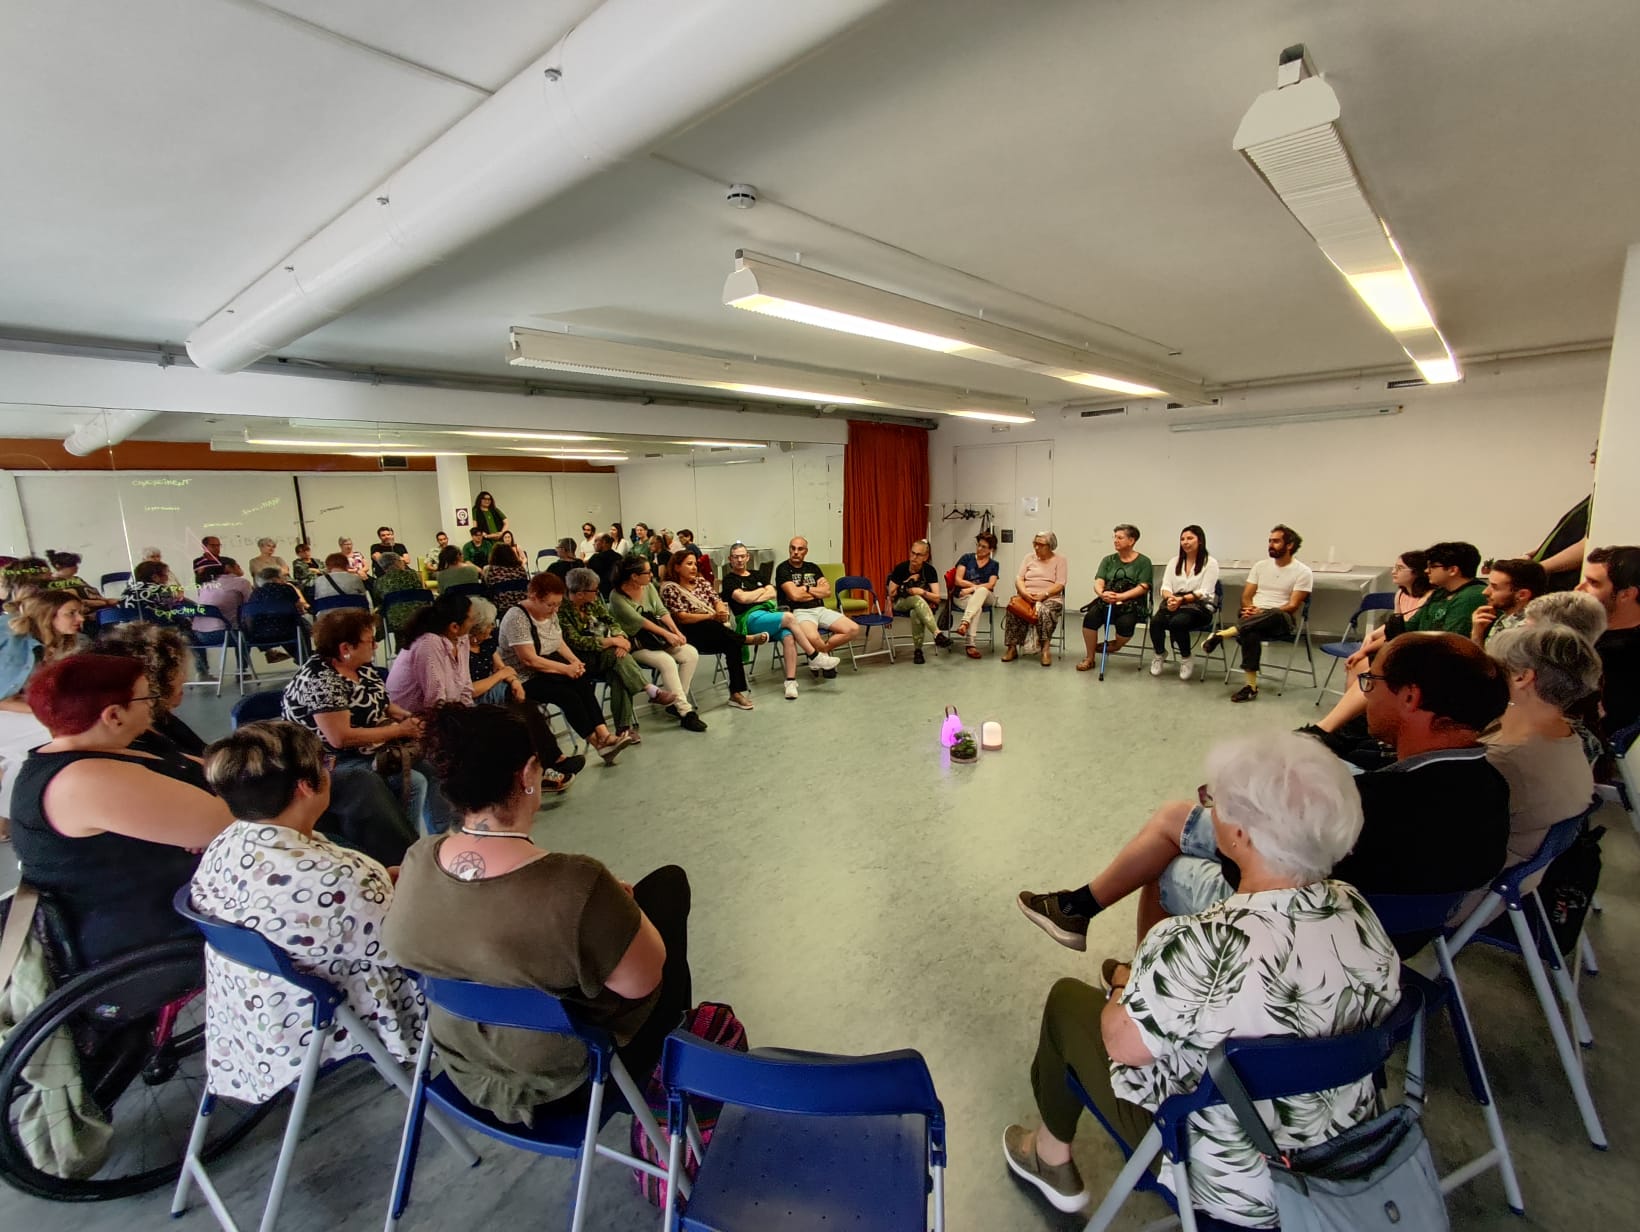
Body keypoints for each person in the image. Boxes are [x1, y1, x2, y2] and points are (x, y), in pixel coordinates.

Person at [1004, 731, 1399, 1224]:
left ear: (1241, 835)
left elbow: (1122, 1047)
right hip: (1344, 1160)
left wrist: (1125, 985)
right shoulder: (1357, 910)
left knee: (1068, 1002)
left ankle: (1048, 1154)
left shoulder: (1194, 943)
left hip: (1238, 1186)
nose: (1210, 809)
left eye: (1216, 801)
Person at [1019, 633, 1510, 956]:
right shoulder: (1490, 787)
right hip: (1396, 943)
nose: (1364, 693)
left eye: (1370, 682)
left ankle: (1137, 979)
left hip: (1311, 939)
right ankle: (1079, 910)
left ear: (1410, 697)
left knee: (1169, 857)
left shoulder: (1378, 802)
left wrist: (1237, 809)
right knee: (1179, 818)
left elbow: (1253, 872)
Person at [383, 704, 693, 1128]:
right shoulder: (576, 883)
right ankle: (672, 1083)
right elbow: (641, 984)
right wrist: (621, 911)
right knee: (668, 888)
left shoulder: (419, 859)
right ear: (529, 773)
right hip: (569, 1078)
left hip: (464, 1068)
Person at [190, 721, 424, 1104]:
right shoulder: (336, 878)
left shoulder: (227, 844)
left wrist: (381, 881)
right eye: (325, 764)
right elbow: (411, 948)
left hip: (253, 1019)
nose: (331, 771)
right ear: (305, 787)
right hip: (327, 1017)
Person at [10, 654, 234, 964]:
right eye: (146, 697)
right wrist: (209, 819)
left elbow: (220, 773)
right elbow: (228, 824)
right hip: (149, 936)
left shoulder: (112, 747)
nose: (153, 705)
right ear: (114, 715)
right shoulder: (84, 781)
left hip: (176, 896)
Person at [281, 608, 452, 839]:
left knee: (433, 767)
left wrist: (407, 718)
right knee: (412, 782)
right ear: (346, 648)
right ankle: (403, 843)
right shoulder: (321, 680)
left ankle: (439, 835)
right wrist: (398, 730)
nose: (376, 646)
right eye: (370, 641)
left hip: (366, 747)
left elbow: (383, 703)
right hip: (328, 758)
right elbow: (340, 738)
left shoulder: (360, 667)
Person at [1470, 624, 1600, 916]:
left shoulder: (1506, 760)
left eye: (1492, 666)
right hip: (1508, 883)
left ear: (1522, 677)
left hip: (1463, 898)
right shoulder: (1567, 737)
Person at [386, 592, 573, 792]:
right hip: (418, 719)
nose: (475, 621)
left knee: (511, 721)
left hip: (450, 710)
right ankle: (513, 784)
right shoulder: (429, 644)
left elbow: (464, 688)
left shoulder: (461, 640)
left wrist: (474, 714)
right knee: (492, 732)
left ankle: (528, 777)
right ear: (454, 626)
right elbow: (435, 703)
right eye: (471, 618)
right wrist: (472, 721)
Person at [1315, 540, 1486, 731]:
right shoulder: (1440, 594)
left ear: (1453, 570)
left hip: (1443, 664)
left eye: (1432, 566)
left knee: (1377, 673)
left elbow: (1447, 640)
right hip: (1422, 653)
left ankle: (1336, 727)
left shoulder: (1471, 596)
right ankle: (1347, 724)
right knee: (1365, 665)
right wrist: (1368, 648)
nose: (1427, 571)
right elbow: (1407, 627)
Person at [498, 572, 636, 762]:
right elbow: (529, 660)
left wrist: (574, 662)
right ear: (534, 597)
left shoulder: (551, 612)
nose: (555, 609)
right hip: (524, 678)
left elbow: (558, 641)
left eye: (558, 604)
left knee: (581, 681)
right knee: (567, 695)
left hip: (548, 668)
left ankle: (605, 734)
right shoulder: (517, 618)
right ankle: (598, 744)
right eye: (550, 605)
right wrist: (565, 669)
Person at [0, 591, 88, 826]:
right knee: (52, 736)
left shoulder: (62, 645)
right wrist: (48, 710)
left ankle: (12, 817)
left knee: (26, 755)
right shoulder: (13, 643)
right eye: (71, 613)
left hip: (14, 710)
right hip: (6, 710)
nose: (80, 619)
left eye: (80, 612)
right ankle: (19, 817)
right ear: (49, 615)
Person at [560, 567, 678, 739]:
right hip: (583, 660)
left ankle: (624, 730)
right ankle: (650, 691)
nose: (598, 593)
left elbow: (611, 621)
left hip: (610, 654)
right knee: (617, 658)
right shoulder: (561, 611)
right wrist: (612, 642)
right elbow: (576, 642)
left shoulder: (592, 602)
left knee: (619, 673)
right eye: (594, 590)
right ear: (580, 594)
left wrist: (620, 637)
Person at [1201, 524, 1312, 702]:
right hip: (1252, 618)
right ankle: (1251, 687)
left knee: (1273, 613)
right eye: (1270, 541)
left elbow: (1292, 606)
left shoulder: (1303, 572)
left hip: (1280, 619)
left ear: (1290, 545)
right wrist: (1250, 608)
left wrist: (1263, 611)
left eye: (1276, 541)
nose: (1271, 545)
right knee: (1250, 631)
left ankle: (1222, 634)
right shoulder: (1260, 566)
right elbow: (1246, 597)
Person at [609, 556, 707, 732]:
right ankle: (685, 712)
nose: (651, 575)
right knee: (666, 661)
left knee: (690, 653)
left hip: (656, 639)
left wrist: (676, 632)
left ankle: (676, 703)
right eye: (647, 572)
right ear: (634, 576)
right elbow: (639, 621)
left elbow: (661, 611)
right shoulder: (617, 597)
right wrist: (667, 634)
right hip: (636, 643)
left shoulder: (648, 587)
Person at [661, 549, 766, 709]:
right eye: (689, 564)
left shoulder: (701, 583)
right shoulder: (670, 588)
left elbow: (717, 600)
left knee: (732, 644)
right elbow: (681, 617)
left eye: (695, 564)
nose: (694, 567)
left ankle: (736, 693)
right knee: (713, 626)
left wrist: (721, 612)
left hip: (714, 631)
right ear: (677, 567)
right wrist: (711, 616)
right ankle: (745, 639)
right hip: (688, 633)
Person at [98, 620, 213, 760]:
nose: (185, 678)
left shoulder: (160, 719)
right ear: (157, 679)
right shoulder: (135, 743)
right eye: (179, 670)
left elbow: (205, 754)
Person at [1577, 545, 1640, 737]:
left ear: (1626, 594)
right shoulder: (1588, 632)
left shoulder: (1622, 654)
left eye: (1593, 583)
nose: (1579, 589)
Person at [775, 537, 859, 668]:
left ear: (806, 551)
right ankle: (822, 657)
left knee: (853, 629)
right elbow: (795, 596)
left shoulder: (813, 567)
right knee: (814, 638)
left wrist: (807, 589)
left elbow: (827, 592)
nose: (796, 552)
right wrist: (816, 592)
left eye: (800, 549)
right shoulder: (783, 568)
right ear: (789, 549)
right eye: (793, 548)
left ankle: (819, 655)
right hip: (799, 611)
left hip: (820, 609)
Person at [1078, 524, 1152, 672]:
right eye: (1115, 537)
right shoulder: (1108, 560)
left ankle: (1116, 645)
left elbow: (1143, 587)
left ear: (1131, 541)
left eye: (1120, 537)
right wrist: (1102, 593)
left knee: (1125, 624)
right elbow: (1099, 581)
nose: (1115, 540)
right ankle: (1090, 658)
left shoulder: (1144, 562)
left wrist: (1121, 596)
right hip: (1107, 600)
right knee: (1090, 618)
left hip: (1131, 603)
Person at [1147, 525, 1218, 680]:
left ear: (1200, 541)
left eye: (1190, 538)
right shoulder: (1174, 562)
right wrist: (1171, 598)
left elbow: (1205, 592)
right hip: (1175, 602)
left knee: (1178, 622)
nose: (1185, 542)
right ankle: (1159, 653)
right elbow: (1165, 586)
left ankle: (1186, 657)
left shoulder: (1210, 563)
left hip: (1199, 607)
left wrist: (1182, 600)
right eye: (1182, 539)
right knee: (1156, 622)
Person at [1528, 444, 1597, 592]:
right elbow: (1566, 535)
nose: (1592, 460)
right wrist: (1534, 554)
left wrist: (1535, 569)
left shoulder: (1607, 500)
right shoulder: (1594, 495)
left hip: (1563, 586)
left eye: (1596, 454)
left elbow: (1589, 543)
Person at [1002, 531, 1067, 666]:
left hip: (1050, 598)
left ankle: (1045, 649)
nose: (1036, 547)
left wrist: (1045, 594)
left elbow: (1060, 584)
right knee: (1013, 608)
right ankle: (1012, 648)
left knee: (1045, 611)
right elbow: (1019, 578)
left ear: (1050, 546)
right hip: (1027, 596)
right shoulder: (1028, 558)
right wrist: (1024, 593)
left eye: (1041, 545)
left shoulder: (1060, 560)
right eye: (1035, 544)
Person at [887, 540, 949, 664]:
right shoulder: (901, 568)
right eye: (912, 553)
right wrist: (908, 581)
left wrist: (922, 592)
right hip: (900, 602)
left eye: (918, 555)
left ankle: (918, 651)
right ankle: (937, 633)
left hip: (921, 606)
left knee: (915, 612)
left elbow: (937, 598)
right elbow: (891, 593)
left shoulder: (929, 570)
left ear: (925, 557)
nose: (914, 557)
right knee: (916, 599)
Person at [1471, 557, 1548, 646]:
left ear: (1522, 595)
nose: (1485, 592)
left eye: (1494, 587)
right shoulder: (1508, 617)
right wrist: (1477, 633)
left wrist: (1476, 635)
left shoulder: (1524, 632)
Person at [194, 556, 254, 669]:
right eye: (237, 565)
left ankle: (204, 672)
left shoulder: (205, 584)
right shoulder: (242, 583)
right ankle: (242, 670)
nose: (239, 567)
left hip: (199, 636)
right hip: (225, 634)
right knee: (245, 632)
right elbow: (251, 606)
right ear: (227, 567)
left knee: (238, 628)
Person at [949, 531, 1001, 659]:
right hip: (963, 596)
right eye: (978, 545)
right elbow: (958, 580)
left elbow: (991, 585)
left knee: (982, 591)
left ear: (991, 549)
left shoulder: (994, 565)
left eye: (984, 547)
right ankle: (970, 644)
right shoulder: (966, 558)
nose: (979, 548)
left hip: (986, 596)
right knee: (977, 608)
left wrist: (971, 589)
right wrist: (973, 589)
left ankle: (965, 621)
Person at [374, 551, 427, 639]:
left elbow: (379, 601)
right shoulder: (414, 575)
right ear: (397, 562)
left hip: (396, 621)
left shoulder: (379, 582)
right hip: (420, 617)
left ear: (383, 567)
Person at [45, 551, 112, 609]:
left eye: (75, 564)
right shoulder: (54, 583)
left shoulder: (77, 579)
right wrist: (105, 602)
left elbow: (93, 593)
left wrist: (107, 600)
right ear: (58, 566)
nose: (76, 567)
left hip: (102, 608)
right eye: (71, 565)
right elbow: (75, 602)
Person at [483, 542, 530, 615]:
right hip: (522, 606)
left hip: (502, 608)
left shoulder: (491, 570)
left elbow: (487, 588)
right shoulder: (520, 569)